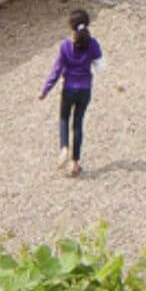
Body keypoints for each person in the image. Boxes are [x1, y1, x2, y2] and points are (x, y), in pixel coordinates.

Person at [38, 9, 103, 177]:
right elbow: (101, 66)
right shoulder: (92, 44)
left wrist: (45, 90)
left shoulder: (65, 46)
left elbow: (56, 70)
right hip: (85, 90)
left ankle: (64, 147)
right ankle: (75, 163)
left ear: (70, 27)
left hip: (69, 89)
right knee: (78, 123)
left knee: (64, 119)